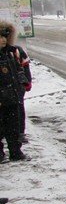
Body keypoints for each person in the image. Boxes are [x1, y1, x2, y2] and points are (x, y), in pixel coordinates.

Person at [0, 22, 26, 161]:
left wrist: (21, 84)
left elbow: (18, 70)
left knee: (13, 127)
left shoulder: (10, 53)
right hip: (1, 99)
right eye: (0, 37)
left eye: (5, 36)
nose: (3, 40)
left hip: (12, 97)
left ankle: (15, 152)